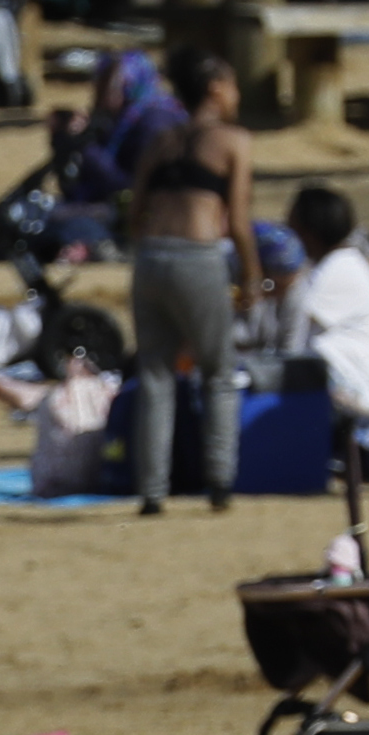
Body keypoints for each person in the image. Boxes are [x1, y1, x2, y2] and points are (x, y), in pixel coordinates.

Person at [119, 43, 248, 514]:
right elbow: (236, 220)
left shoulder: (160, 141)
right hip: (198, 257)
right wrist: (251, 277)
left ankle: (152, 492)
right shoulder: (233, 141)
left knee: (155, 374)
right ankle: (220, 483)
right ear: (215, 89)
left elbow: (134, 212)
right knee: (217, 372)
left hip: (151, 256)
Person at [278, 182, 369, 429]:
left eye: (292, 223)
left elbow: (290, 322)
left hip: (351, 390)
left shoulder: (341, 268)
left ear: (309, 230)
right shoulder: (328, 265)